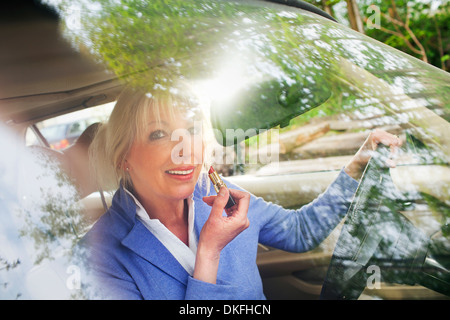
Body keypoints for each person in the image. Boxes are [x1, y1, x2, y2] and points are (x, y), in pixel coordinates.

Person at [80, 86, 402, 300]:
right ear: (123, 156)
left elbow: (300, 232)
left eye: (191, 130)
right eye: (159, 133)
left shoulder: (221, 193)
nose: (186, 149)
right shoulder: (98, 255)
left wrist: (355, 168)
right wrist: (209, 253)